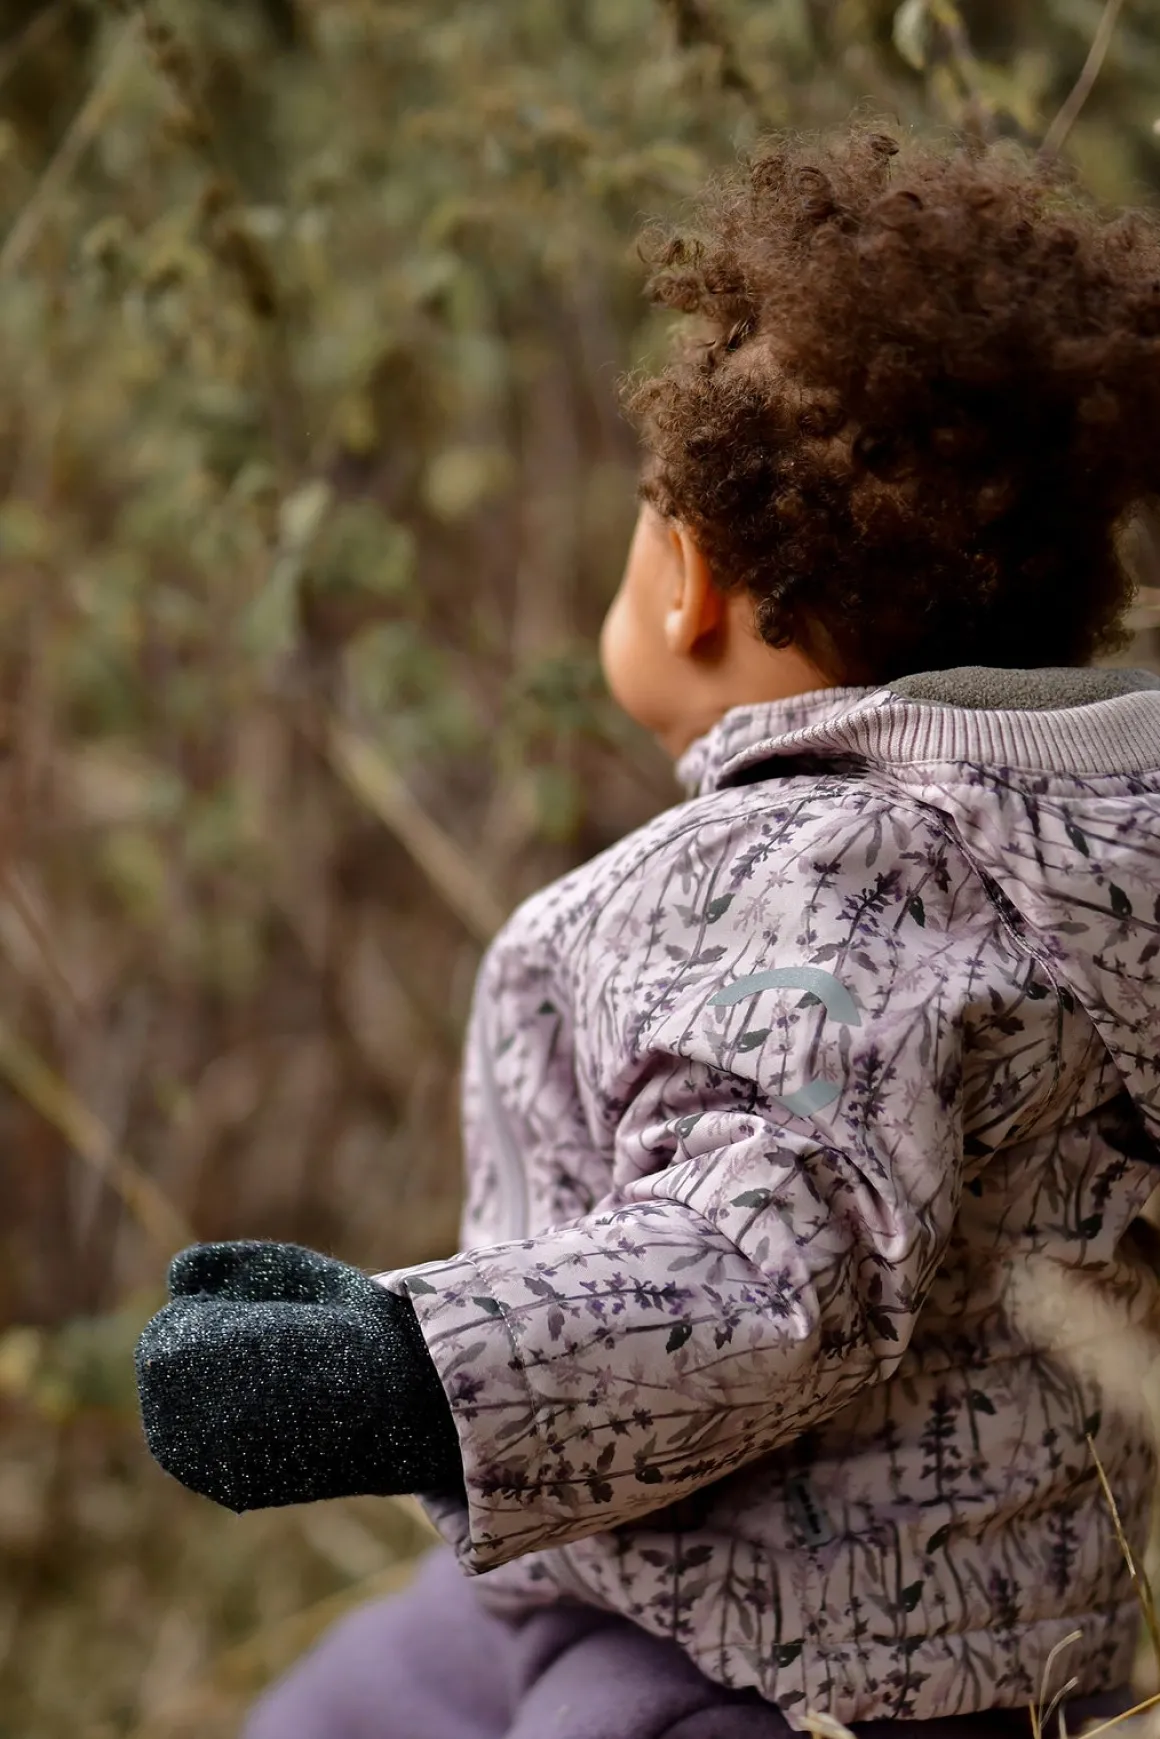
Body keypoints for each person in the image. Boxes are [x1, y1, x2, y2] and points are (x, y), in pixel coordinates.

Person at [135, 122, 1160, 1737]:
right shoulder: (1095, 841)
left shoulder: (819, 888)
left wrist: (402, 1369)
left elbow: (757, 1266)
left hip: (765, 1650)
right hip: (656, 1557)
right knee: (339, 1706)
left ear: (689, 579)